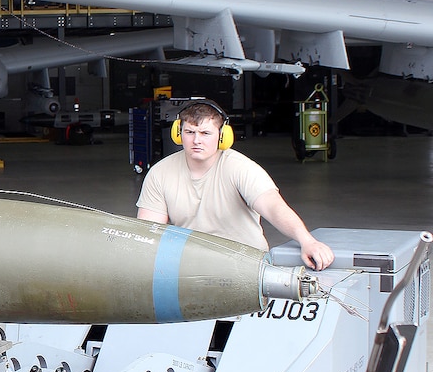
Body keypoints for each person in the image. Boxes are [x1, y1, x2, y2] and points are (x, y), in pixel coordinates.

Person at [136, 101, 334, 271]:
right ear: (178, 134)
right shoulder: (159, 173)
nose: (196, 140)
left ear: (222, 137)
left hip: (245, 265)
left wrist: (307, 241)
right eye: (189, 132)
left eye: (205, 133)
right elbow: (150, 232)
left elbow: (274, 208)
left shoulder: (241, 168)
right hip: (190, 267)